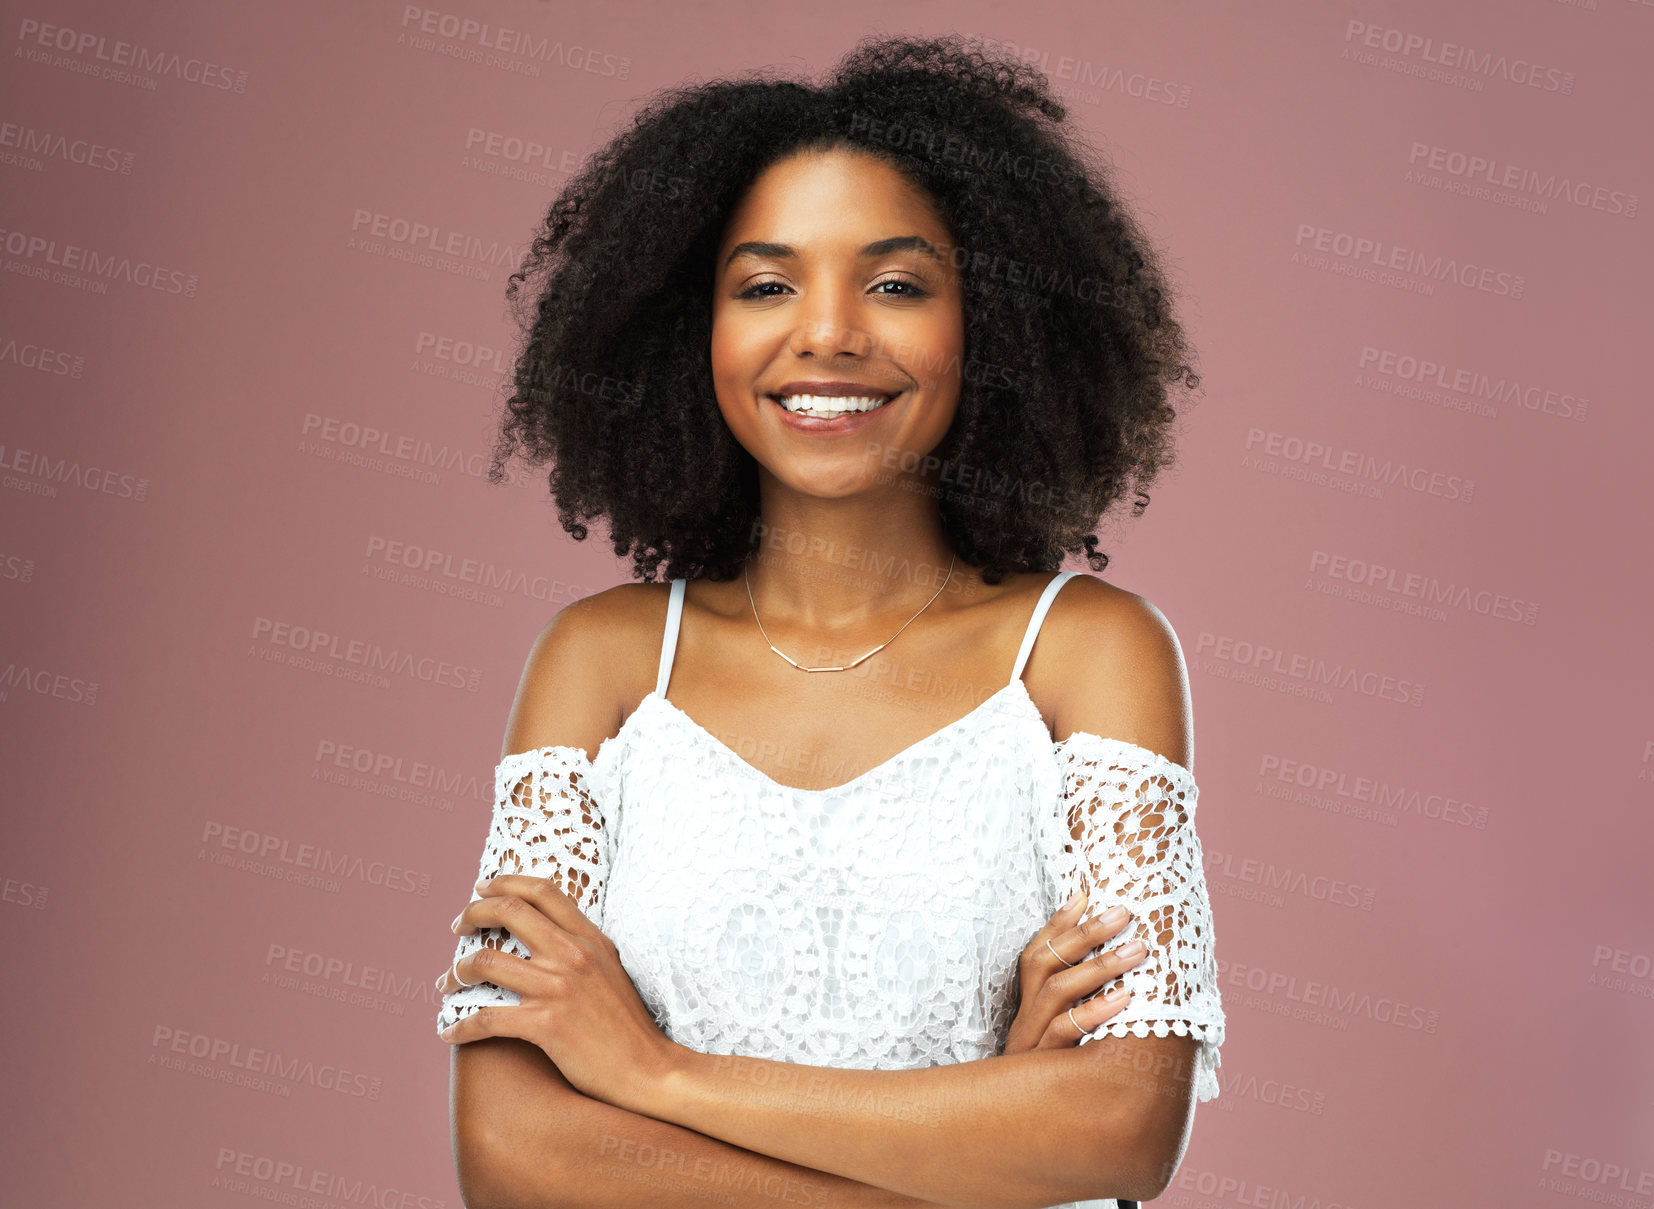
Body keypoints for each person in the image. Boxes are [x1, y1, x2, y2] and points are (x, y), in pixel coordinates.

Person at [432, 33, 1222, 1209]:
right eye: (765, 285)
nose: (829, 335)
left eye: (896, 284)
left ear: (990, 324)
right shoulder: (601, 669)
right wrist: (982, 1149)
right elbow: (511, 1156)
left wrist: (651, 1071)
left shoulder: (1084, 656)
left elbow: (1122, 1124)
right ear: (685, 331)